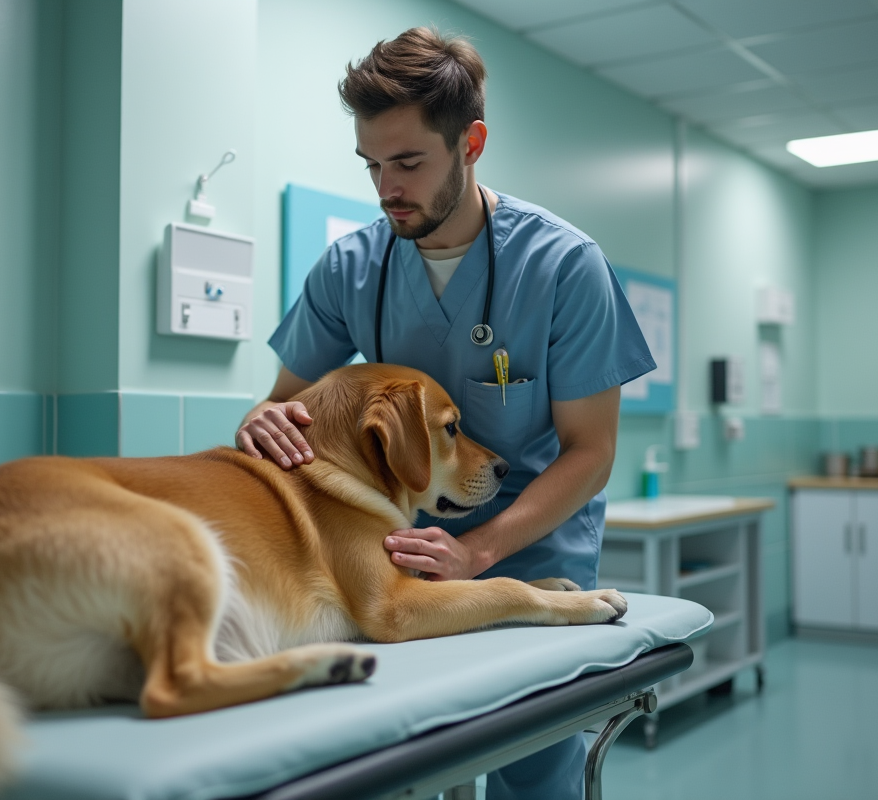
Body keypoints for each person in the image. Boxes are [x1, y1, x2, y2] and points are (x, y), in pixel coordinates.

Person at [236, 27, 654, 800]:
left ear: (472, 144)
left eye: (408, 163)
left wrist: (480, 553)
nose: (386, 187)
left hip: (526, 549)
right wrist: (261, 420)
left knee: (530, 768)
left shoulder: (563, 267)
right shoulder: (351, 269)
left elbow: (590, 452)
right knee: (410, 760)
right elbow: (282, 402)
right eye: (371, 165)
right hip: (389, 556)